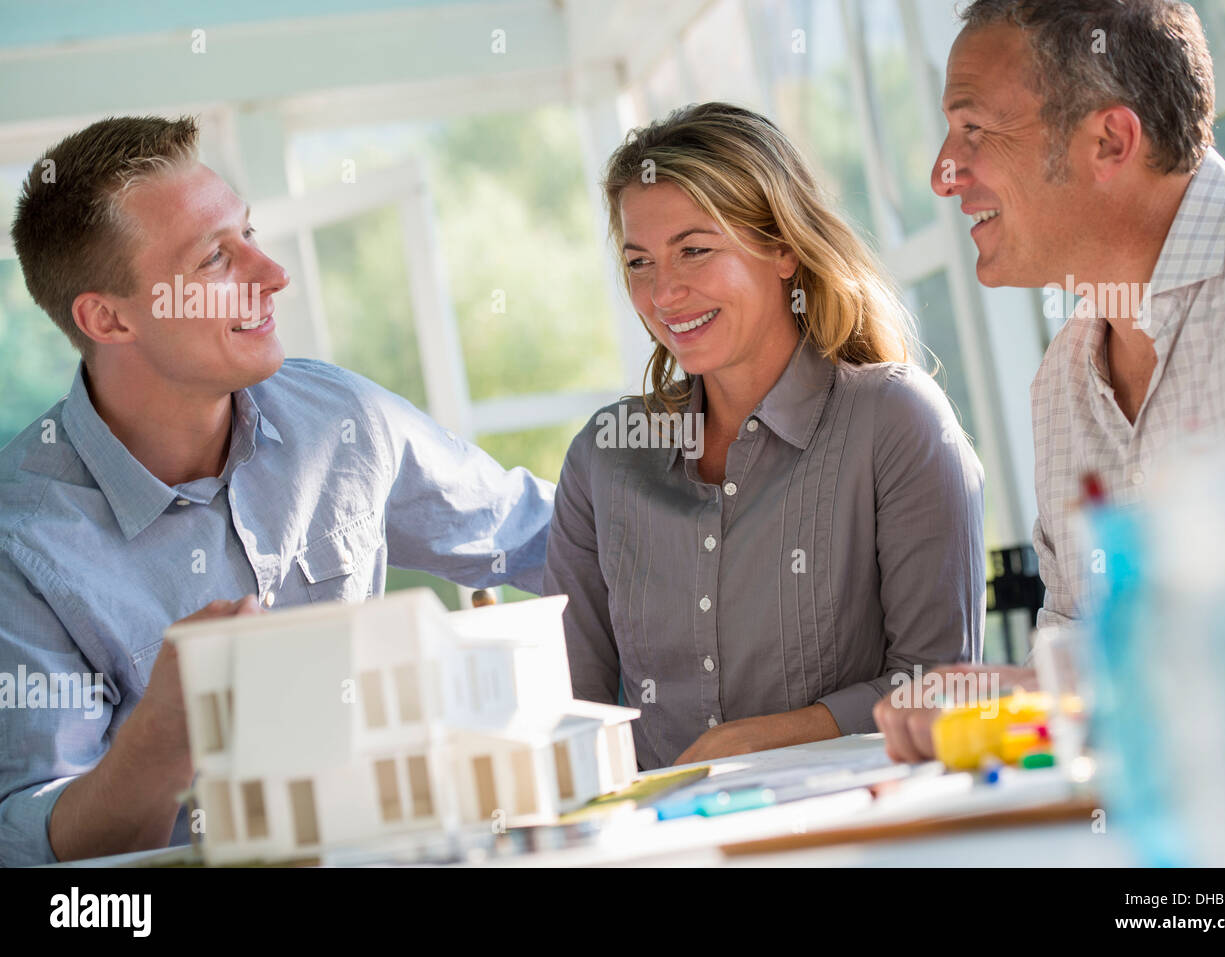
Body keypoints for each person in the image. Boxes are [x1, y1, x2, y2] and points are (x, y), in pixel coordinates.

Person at [0, 116, 554, 865]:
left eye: (250, 232)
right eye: (215, 259)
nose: (272, 273)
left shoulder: (339, 418)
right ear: (108, 316)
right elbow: (39, 847)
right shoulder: (22, 542)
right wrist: (166, 731)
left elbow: (549, 540)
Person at [874, 0, 1225, 762]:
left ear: (1109, 139)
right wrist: (1014, 691)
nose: (944, 174)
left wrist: (1054, 693)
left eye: (974, 129)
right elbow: (1088, 679)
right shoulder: (1062, 385)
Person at [543, 102, 986, 771]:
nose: (664, 292)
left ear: (782, 246)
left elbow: (940, 687)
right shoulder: (604, 459)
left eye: (694, 250)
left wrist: (759, 739)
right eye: (639, 261)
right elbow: (571, 710)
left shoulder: (895, 423)